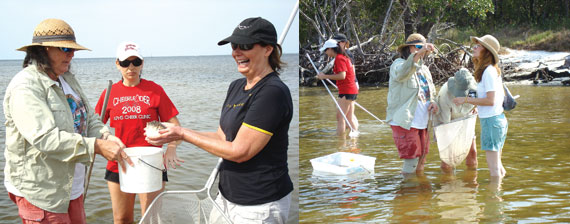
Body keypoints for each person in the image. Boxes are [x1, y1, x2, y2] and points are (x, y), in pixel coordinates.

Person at [145, 17, 293, 223]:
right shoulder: (236, 87)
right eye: (234, 46)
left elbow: (240, 152)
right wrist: (176, 132)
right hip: (225, 197)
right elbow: (221, 137)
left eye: (246, 46)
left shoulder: (272, 92)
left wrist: (181, 134)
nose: (236, 52)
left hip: (259, 205)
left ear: (268, 50)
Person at [3, 18, 132, 224]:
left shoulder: (66, 78)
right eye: (65, 49)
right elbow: (46, 139)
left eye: (73, 50)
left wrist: (106, 135)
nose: (71, 55)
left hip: (72, 186)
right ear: (43, 50)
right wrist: (97, 146)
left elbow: (89, 117)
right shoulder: (25, 86)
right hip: (43, 191)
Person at [94, 41, 182, 224]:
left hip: (151, 162)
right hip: (119, 161)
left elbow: (175, 126)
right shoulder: (109, 92)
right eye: (125, 63)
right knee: (121, 219)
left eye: (136, 62)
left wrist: (172, 146)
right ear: (117, 64)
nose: (131, 67)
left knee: (150, 218)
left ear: (142, 63)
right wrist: (103, 145)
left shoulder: (155, 90)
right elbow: (94, 126)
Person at [453, 35, 507, 178]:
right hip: (497, 120)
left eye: (479, 46)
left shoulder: (488, 71)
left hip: (491, 122)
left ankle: (493, 199)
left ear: (487, 51)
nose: (474, 48)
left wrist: (465, 100)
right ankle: (497, 197)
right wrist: (476, 104)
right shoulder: (491, 70)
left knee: (494, 171)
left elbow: (490, 101)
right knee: (499, 168)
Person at [386, 33, 439, 174]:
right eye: (418, 47)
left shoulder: (425, 69)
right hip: (405, 121)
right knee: (411, 160)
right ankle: (408, 192)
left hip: (423, 121)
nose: (422, 51)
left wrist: (433, 102)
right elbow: (403, 74)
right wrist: (418, 54)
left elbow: (431, 90)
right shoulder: (398, 64)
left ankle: (418, 193)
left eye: (424, 48)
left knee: (422, 159)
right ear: (409, 48)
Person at [434, 68, 478, 172]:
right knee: (448, 156)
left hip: (467, 117)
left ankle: (471, 183)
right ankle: (447, 183)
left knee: (472, 152)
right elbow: (446, 127)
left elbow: (478, 101)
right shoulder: (445, 95)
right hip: (446, 121)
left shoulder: (473, 88)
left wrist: (476, 107)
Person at [317, 39, 359, 136]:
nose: (325, 53)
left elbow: (342, 76)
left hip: (347, 91)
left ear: (331, 49)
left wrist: (325, 76)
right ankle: (355, 140)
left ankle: (341, 143)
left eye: (326, 50)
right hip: (351, 90)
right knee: (348, 116)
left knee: (340, 117)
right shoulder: (344, 57)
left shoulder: (339, 58)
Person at [332, 33, 360, 128]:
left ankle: (349, 134)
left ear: (343, 43)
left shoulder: (345, 54)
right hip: (351, 85)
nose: (335, 45)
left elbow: (352, 69)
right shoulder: (342, 54)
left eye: (337, 43)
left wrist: (353, 82)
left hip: (351, 84)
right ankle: (353, 135)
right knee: (348, 115)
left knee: (343, 116)